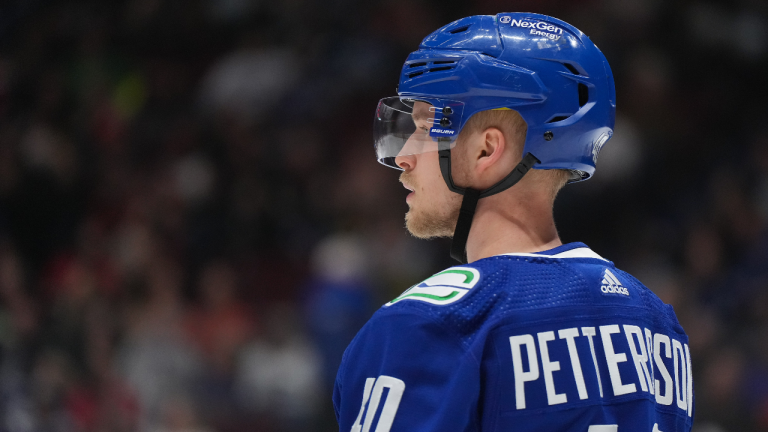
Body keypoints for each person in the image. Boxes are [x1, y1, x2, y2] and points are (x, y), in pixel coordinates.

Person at [334, 12, 693, 432]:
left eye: (424, 126)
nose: (404, 156)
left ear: (487, 151)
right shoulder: (656, 324)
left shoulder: (428, 325)